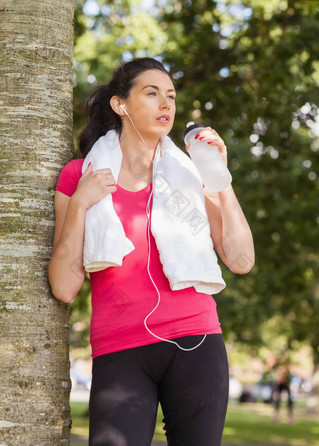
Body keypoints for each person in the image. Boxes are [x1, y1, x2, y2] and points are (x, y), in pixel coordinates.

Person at [48, 57, 255, 446]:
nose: (166, 105)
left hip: (197, 343)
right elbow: (63, 287)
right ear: (119, 104)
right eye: (152, 93)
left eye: (171, 96)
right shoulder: (81, 175)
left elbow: (241, 261)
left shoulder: (191, 174)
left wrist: (219, 178)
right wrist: (79, 204)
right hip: (120, 351)